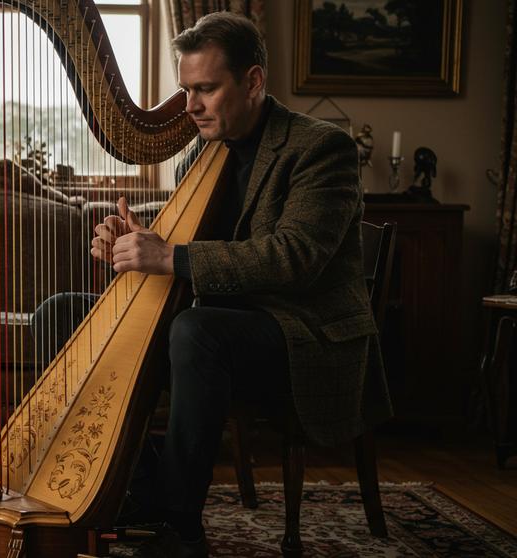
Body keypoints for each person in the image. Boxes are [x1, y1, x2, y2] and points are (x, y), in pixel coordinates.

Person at [30, 11, 392, 557]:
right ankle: (137, 488)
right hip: (222, 328)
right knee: (61, 311)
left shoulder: (322, 148)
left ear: (252, 81)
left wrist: (169, 255)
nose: (191, 106)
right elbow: (196, 240)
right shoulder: (203, 152)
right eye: (185, 90)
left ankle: (181, 525)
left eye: (205, 89)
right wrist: (133, 239)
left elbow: (294, 258)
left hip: (304, 338)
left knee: (196, 332)